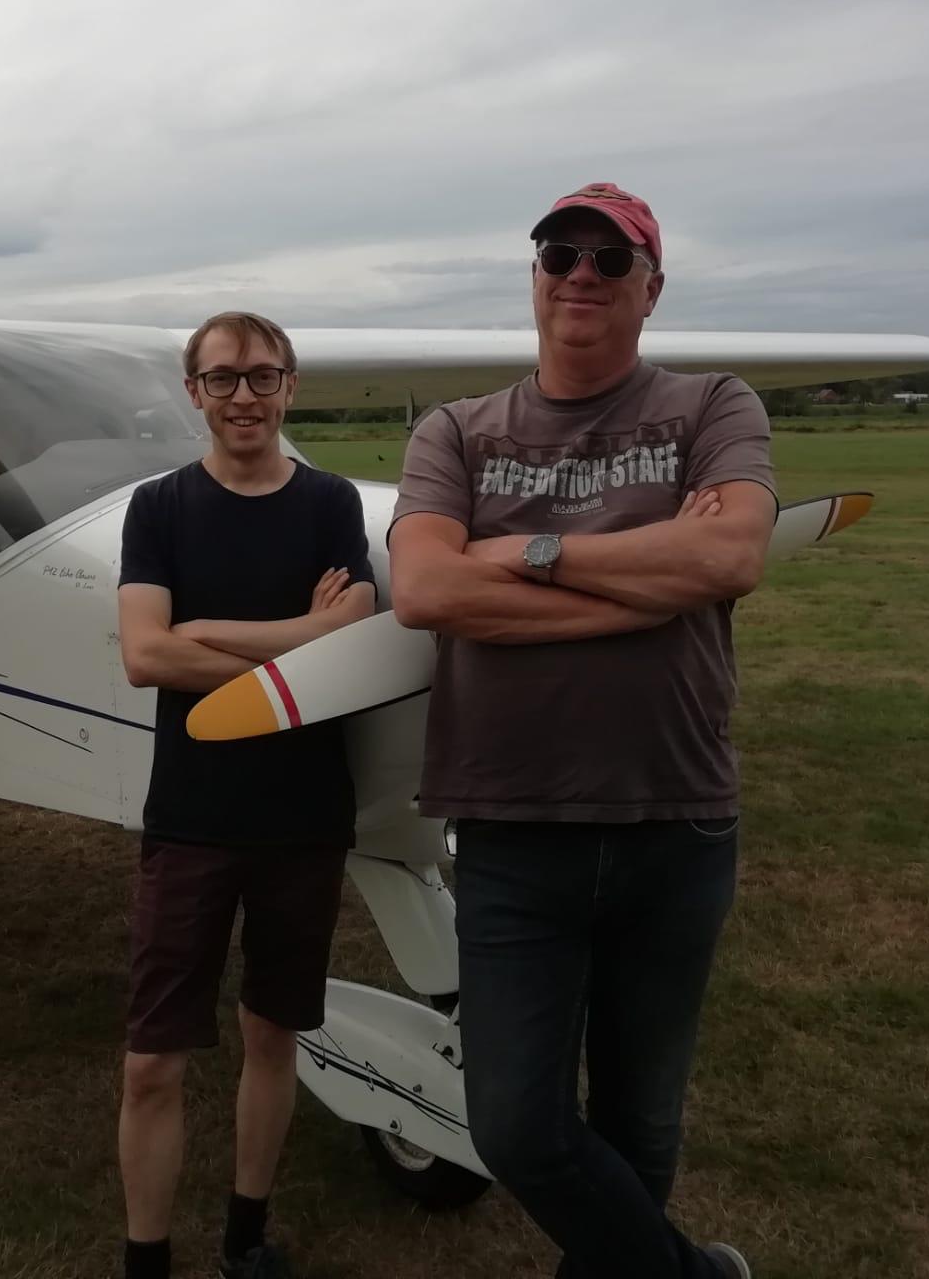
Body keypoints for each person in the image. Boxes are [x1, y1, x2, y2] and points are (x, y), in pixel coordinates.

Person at [389, 184, 775, 1279]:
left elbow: (729, 558)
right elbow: (423, 591)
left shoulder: (712, 407)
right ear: (534, 276)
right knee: (515, 1127)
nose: (580, 273)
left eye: (611, 259)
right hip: (510, 825)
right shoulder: (455, 430)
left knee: (640, 1120)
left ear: (651, 288)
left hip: (676, 816)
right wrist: (648, 581)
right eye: (560, 251)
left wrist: (522, 552)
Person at [116, 310, 376, 1279]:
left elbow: (355, 634)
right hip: (190, 819)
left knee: (272, 1036)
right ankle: (145, 1260)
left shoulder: (330, 505)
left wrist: (212, 631)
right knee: (152, 1062)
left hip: (303, 819)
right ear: (193, 393)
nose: (242, 397)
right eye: (221, 379)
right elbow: (144, 656)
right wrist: (296, 636)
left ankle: (244, 1239)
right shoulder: (159, 510)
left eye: (261, 377)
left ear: (288, 387)